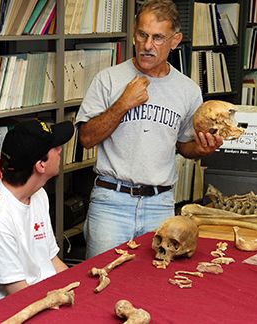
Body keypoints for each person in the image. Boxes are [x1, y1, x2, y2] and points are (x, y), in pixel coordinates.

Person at [75, 0, 223, 258]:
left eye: (157, 38)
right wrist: (123, 104)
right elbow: (86, 138)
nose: (147, 45)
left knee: (154, 286)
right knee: (100, 281)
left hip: (160, 204)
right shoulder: (108, 79)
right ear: (134, 33)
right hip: (111, 202)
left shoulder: (188, 90)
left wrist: (201, 149)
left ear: (175, 40)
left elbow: (184, 147)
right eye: (142, 35)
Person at [0, 118, 74, 296]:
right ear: (40, 165)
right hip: (25, 304)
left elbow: (52, 260)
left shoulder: (39, 194)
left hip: (50, 294)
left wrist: (79, 291)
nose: (60, 150)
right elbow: (17, 291)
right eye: (55, 147)